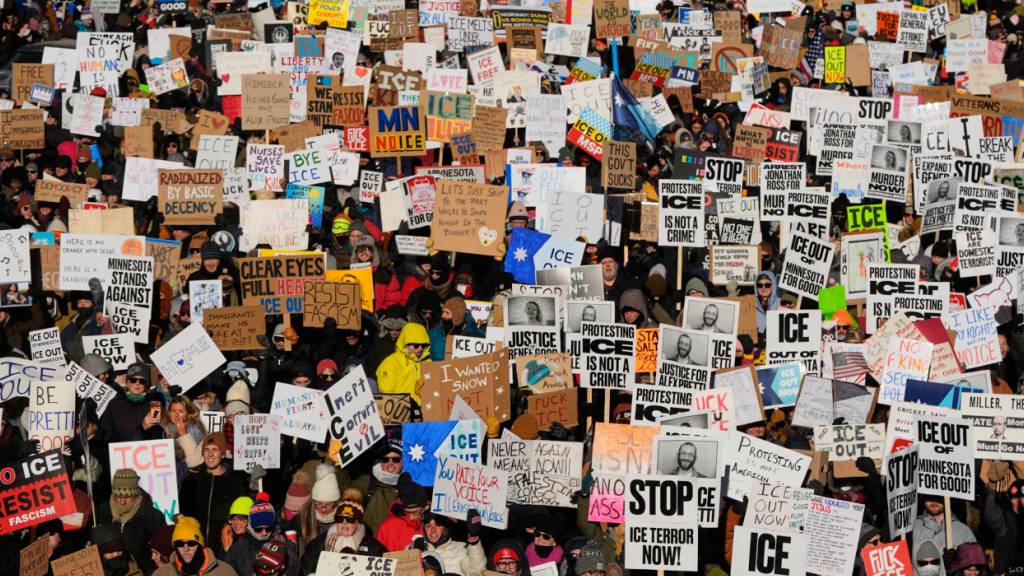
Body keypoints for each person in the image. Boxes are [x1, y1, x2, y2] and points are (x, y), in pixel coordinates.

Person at [179, 433, 248, 547]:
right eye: (206, 450)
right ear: (202, 453)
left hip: (224, 547)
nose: (210, 454)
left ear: (222, 454)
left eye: (215, 450)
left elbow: (241, 516)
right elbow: (184, 518)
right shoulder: (191, 482)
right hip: (197, 548)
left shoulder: (235, 481)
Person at [95, 468, 169, 574]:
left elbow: (161, 551)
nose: (122, 502)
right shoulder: (104, 510)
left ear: (136, 493)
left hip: (142, 572)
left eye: (127, 496)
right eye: (118, 496)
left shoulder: (152, 516)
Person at [301, 500, 386, 573]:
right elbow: (305, 570)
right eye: (340, 519)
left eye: (350, 519)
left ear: (358, 523)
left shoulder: (373, 548)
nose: (344, 523)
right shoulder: (319, 543)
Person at [155, 516, 238, 576]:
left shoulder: (224, 572)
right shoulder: (162, 573)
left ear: (200, 545)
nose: (186, 548)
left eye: (191, 543)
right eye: (180, 544)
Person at [416, 510, 486, 576]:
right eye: (428, 526)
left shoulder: (460, 549)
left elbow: (477, 573)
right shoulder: (415, 549)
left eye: (438, 525)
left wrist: (474, 542)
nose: (433, 530)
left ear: (445, 528)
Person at [376, 323, 431, 404]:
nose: (420, 349)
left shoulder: (428, 363)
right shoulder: (391, 362)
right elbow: (387, 393)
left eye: (424, 345)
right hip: (401, 411)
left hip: (425, 411)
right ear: (405, 343)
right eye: (416, 345)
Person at [376, 473, 429, 551]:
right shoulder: (388, 527)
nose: (410, 517)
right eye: (407, 512)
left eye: (415, 512)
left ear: (425, 508)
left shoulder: (434, 523)